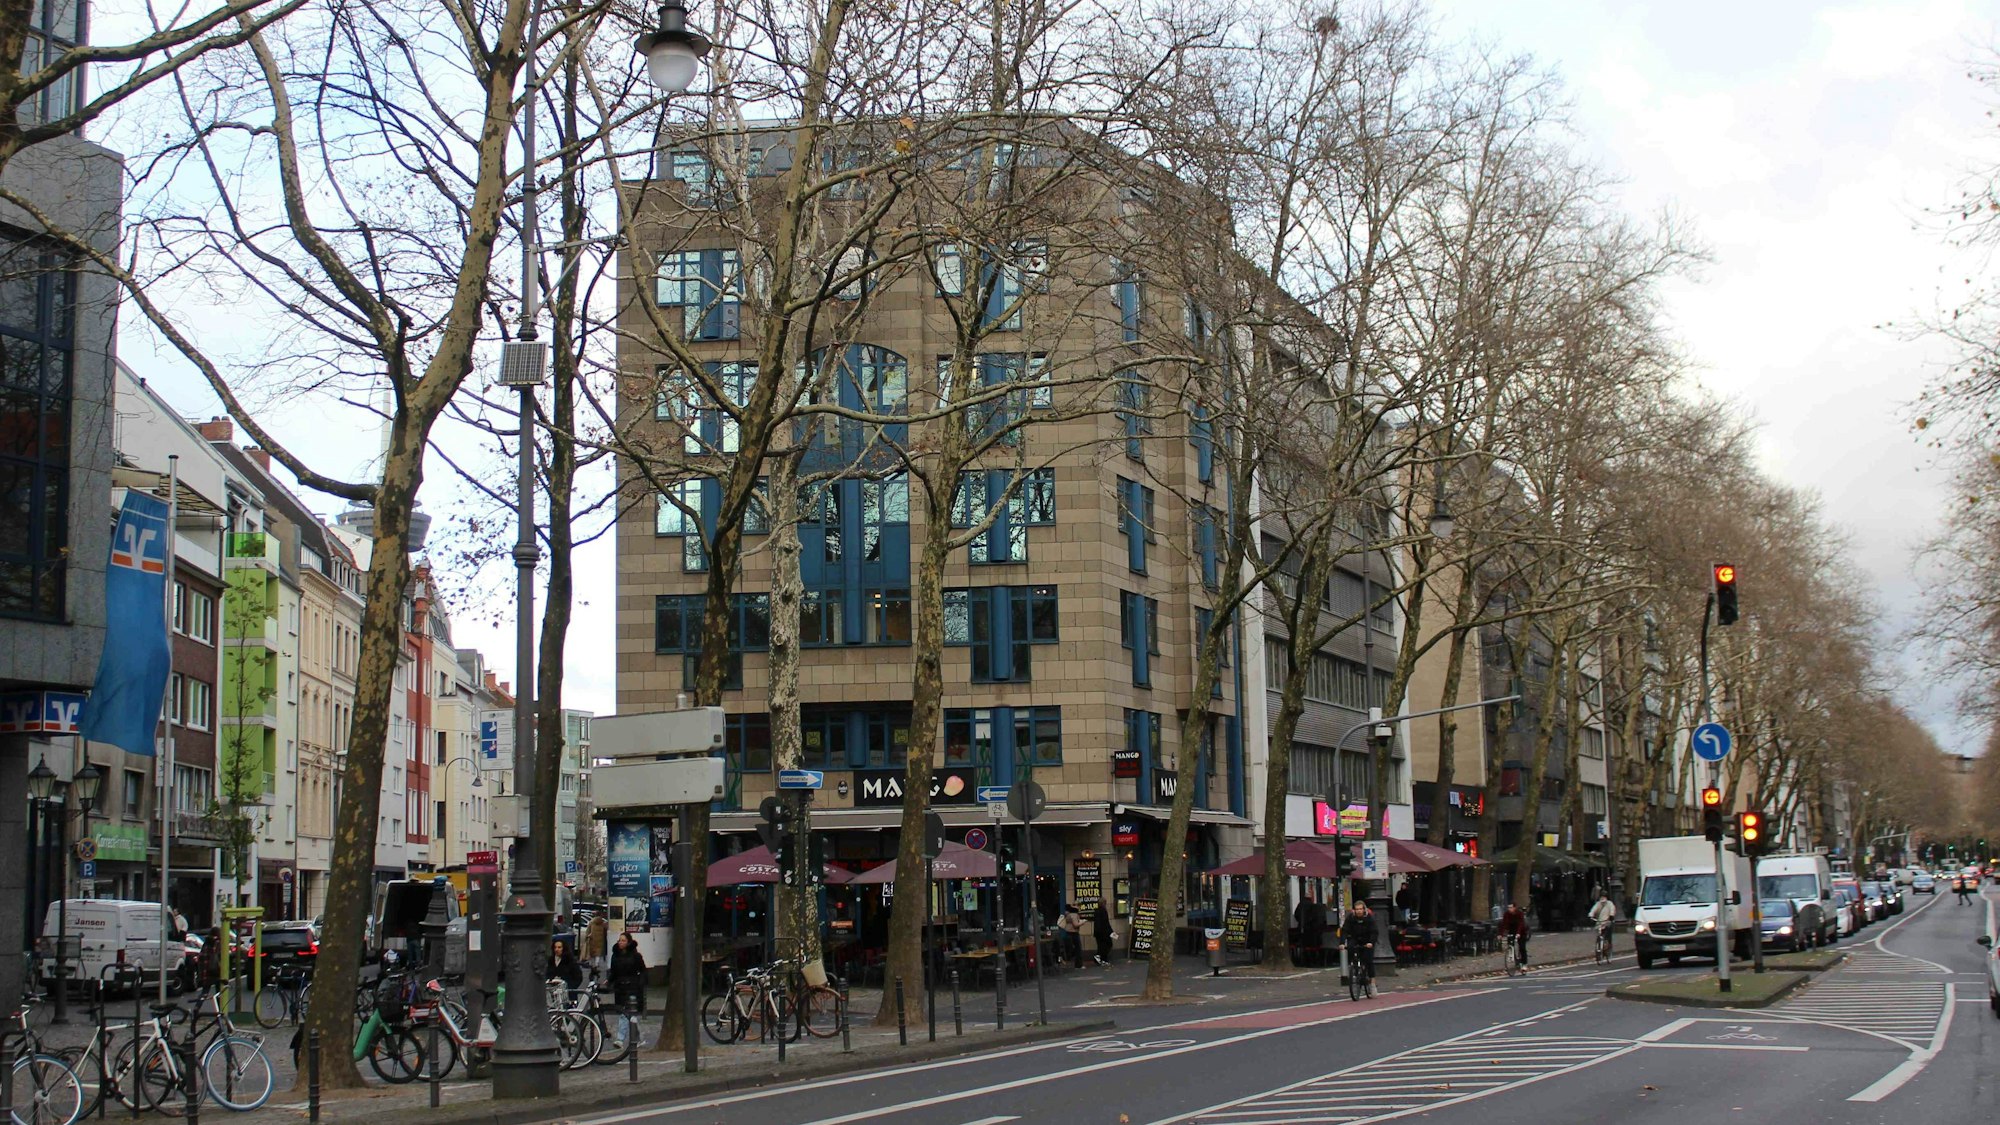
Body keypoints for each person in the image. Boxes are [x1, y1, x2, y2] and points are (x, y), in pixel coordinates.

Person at [607, 931, 647, 1049]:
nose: (620, 942)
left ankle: (620, 1039)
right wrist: (609, 981)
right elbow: (614, 971)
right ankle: (638, 1038)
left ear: (628, 942)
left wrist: (641, 983)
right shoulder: (615, 956)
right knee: (629, 1015)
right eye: (619, 940)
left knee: (626, 1013)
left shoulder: (635, 956)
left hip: (632, 986)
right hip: (620, 987)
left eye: (623, 940)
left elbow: (643, 970)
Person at [1343, 900, 1376, 986]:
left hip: (1367, 939)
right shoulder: (1351, 918)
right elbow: (1345, 930)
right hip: (1355, 938)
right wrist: (1342, 943)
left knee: (1369, 960)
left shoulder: (1369, 918)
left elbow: (1374, 932)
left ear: (1364, 909)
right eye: (1357, 909)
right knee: (1350, 947)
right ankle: (1354, 966)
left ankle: (1372, 982)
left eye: (1360, 909)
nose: (1359, 911)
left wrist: (1371, 942)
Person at [1499, 902, 1531, 966]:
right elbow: (1503, 924)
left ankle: (1524, 964)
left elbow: (1520, 924)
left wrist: (1518, 933)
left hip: (1521, 931)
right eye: (1508, 907)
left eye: (1511, 907)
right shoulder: (1506, 914)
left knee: (1522, 947)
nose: (1509, 909)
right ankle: (1513, 958)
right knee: (1510, 944)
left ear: (1514, 908)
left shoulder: (1519, 913)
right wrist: (1500, 934)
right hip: (1512, 930)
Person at [1057, 904, 1084, 968]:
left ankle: (1064, 960)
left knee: (1070, 949)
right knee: (1078, 949)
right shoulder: (1074, 915)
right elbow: (1075, 925)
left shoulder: (1067, 915)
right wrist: (1082, 922)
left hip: (1068, 932)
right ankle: (1078, 965)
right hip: (1074, 933)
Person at [1091, 900, 1114, 966]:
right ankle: (1102, 958)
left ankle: (1100, 958)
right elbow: (1106, 923)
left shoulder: (1096, 911)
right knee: (1108, 945)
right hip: (1103, 932)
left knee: (1101, 946)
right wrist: (1111, 932)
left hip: (1098, 932)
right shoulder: (1103, 911)